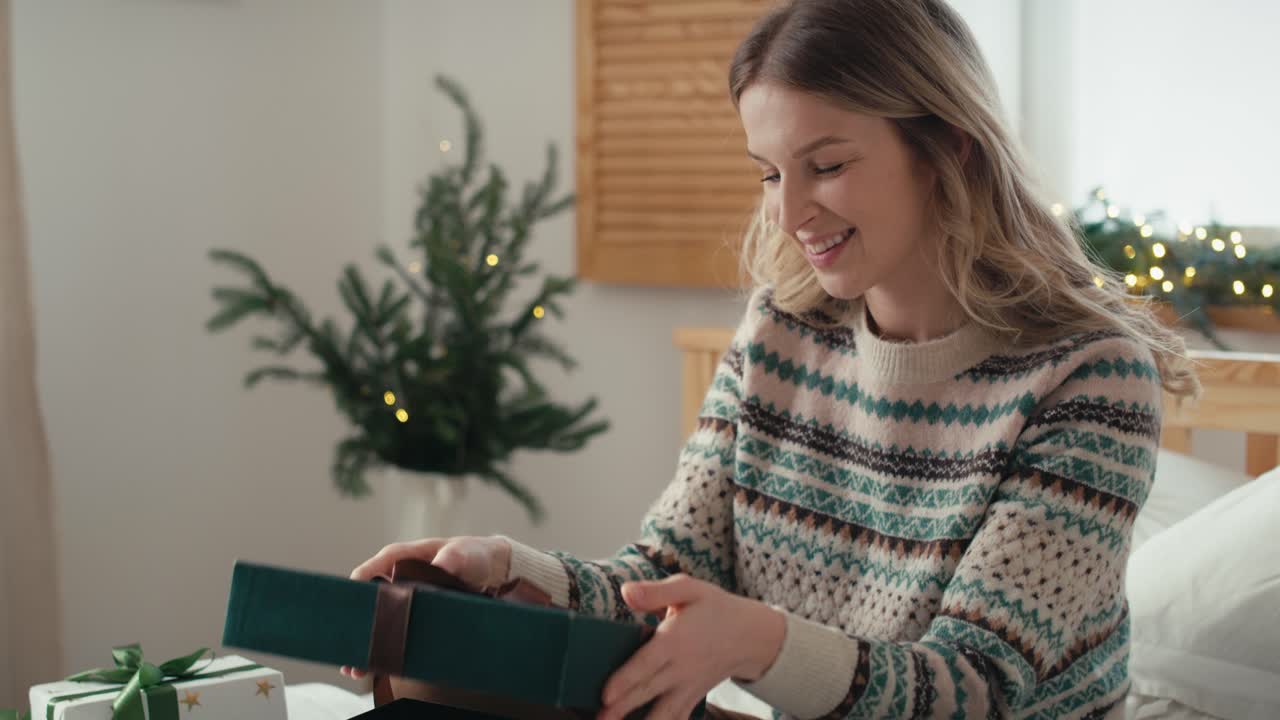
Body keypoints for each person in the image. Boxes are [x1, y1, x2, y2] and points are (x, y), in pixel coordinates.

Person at [344, 0, 1199, 717]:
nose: (790, 214)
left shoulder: (1088, 380)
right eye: (767, 173)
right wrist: (504, 567)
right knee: (443, 690)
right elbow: (663, 577)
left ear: (949, 148)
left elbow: (971, 688)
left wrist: (755, 640)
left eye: (825, 166)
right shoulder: (783, 335)